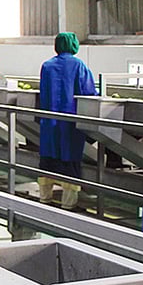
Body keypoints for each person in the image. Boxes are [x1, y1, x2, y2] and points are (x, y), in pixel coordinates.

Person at [38, 32, 97, 209]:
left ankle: (44, 199)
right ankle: (68, 204)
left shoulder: (47, 66)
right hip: (69, 123)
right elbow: (88, 92)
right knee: (69, 161)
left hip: (49, 122)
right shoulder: (78, 65)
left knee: (48, 159)